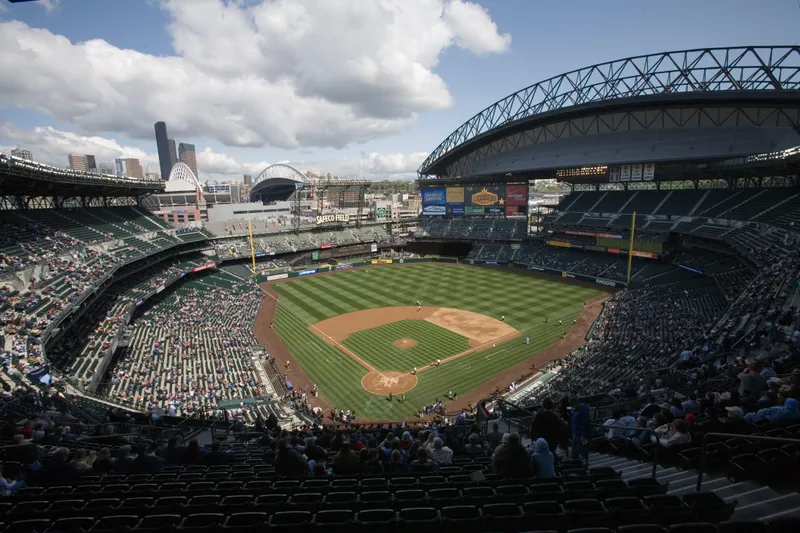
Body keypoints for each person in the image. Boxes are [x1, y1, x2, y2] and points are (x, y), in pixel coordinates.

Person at [570, 394, 591, 461]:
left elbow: (585, 425)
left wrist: (583, 436)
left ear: (576, 403)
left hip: (581, 435)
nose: (572, 407)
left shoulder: (584, 410)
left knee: (584, 450)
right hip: (576, 434)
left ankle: (585, 462)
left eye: (573, 405)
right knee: (575, 452)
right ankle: (576, 461)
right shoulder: (578, 409)